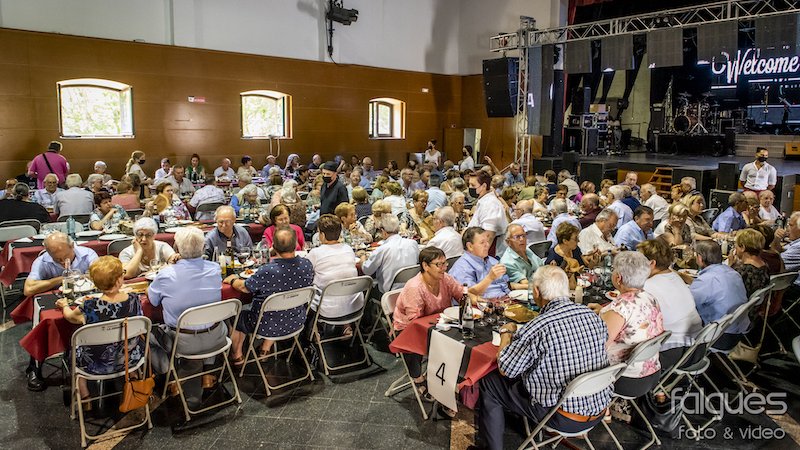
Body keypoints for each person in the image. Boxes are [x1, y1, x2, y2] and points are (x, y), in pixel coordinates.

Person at [475, 265, 611, 450]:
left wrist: (506, 332)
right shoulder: (592, 316)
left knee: (490, 382)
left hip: (562, 415)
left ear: (537, 291)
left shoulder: (539, 326)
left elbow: (506, 369)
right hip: (599, 408)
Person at [148, 227, 229, 406]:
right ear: (203, 248)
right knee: (219, 317)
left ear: (176, 248)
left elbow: (153, 301)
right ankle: (205, 369)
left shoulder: (166, 274)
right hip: (217, 338)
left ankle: (175, 376)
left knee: (147, 335)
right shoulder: (215, 269)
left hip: (182, 342)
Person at [56, 256, 144, 402]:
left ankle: (84, 395)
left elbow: (71, 317)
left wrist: (64, 305)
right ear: (119, 280)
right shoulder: (134, 299)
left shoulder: (90, 306)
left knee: (74, 352)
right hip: (131, 358)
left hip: (95, 363)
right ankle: (133, 377)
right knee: (129, 339)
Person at [224, 227, 313, 365]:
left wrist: (233, 280)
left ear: (273, 246)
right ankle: (265, 349)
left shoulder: (268, 270)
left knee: (237, 316)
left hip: (266, 325)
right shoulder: (306, 265)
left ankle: (237, 356)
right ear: (296, 244)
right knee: (277, 306)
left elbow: (245, 287)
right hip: (297, 320)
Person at [393, 247, 468, 403]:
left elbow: (462, 294)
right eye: (439, 264)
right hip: (409, 329)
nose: (444, 268)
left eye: (445, 263)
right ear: (425, 266)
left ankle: (445, 376)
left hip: (439, 324)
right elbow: (415, 322)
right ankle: (418, 377)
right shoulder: (415, 287)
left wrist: (475, 300)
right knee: (426, 345)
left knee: (465, 338)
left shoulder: (444, 279)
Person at [588, 251, 664, 397]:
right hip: (652, 371)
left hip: (627, 379)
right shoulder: (650, 298)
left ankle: (598, 408)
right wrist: (604, 312)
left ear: (618, 278)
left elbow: (598, 346)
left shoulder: (620, 308)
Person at [638, 238, 703, 372]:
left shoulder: (648, 286)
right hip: (698, 345)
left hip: (676, 352)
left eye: (639, 261)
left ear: (651, 263)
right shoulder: (675, 277)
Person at [687, 240, 749, 351]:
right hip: (738, 330)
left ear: (700, 258)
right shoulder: (733, 273)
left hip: (719, 336)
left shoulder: (706, 281)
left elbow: (686, 305)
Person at [306, 215, 363, 320]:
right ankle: (345, 326)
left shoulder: (315, 253)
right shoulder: (348, 249)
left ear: (322, 235)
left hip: (328, 310)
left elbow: (306, 274)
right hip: (355, 305)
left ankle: (314, 333)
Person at [24, 232, 99, 297]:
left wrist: (80, 277)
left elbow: (102, 276)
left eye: (66, 256)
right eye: (57, 259)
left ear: (72, 246)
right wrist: (63, 279)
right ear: (48, 253)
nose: (63, 261)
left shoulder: (88, 254)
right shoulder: (42, 261)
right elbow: (28, 290)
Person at [360, 215, 419, 293]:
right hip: (412, 289)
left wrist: (362, 258)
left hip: (389, 293)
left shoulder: (382, 249)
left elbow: (367, 270)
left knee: (366, 289)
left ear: (383, 231)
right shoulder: (413, 244)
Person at [449, 227, 510, 298]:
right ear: (470, 246)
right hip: (483, 305)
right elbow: (468, 294)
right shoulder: (462, 267)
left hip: (507, 299)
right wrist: (489, 278)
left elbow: (505, 284)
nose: (487, 245)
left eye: (487, 241)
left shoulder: (492, 261)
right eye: (482, 242)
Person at [469, 170, 509, 257]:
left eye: (473, 185)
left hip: (491, 253)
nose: (470, 188)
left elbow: (489, 235)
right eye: (469, 184)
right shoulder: (484, 200)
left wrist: (480, 258)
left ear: (483, 186)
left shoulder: (490, 204)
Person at [728, 228, 771, 297]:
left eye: (736, 245)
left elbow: (727, 288)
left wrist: (730, 266)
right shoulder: (765, 266)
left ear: (743, 248)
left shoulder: (742, 272)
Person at [500, 224, 544, 289]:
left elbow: (542, 267)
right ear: (508, 242)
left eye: (523, 235)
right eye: (517, 237)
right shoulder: (507, 262)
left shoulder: (527, 250)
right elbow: (525, 283)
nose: (522, 239)